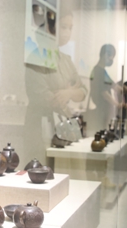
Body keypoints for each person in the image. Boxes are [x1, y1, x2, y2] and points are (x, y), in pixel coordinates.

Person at [24, 13, 87, 161]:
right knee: (42, 166)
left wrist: (68, 93)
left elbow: (83, 91)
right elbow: (45, 97)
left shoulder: (66, 60)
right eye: (63, 27)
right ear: (50, 28)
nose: (67, 32)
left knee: (63, 166)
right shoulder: (36, 57)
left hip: (62, 123)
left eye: (70, 28)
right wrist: (70, 92)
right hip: (41, 125)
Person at [88, 44, 127, 133]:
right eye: (112, 57)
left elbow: (115, 86)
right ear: (106, 54)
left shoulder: (103, 72)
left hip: (105, 111)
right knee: (101, 131)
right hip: (101, 112)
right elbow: (105, 94)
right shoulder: (97, 71)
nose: (112, 60)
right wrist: (118, 104)